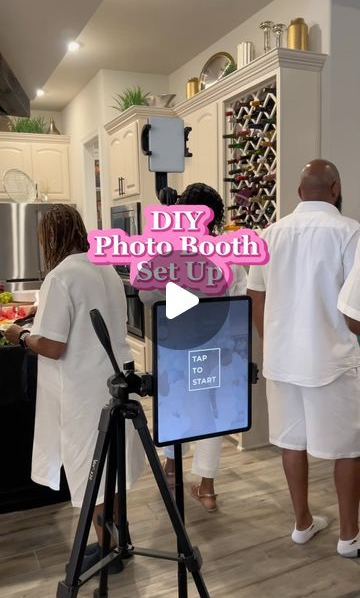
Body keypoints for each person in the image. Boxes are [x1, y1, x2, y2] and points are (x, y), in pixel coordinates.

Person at [5, 204, 145, 572]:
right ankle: (118, 540)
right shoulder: (106, 269)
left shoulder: (61, 276)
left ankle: (108, 551)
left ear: (51, 237)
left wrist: (20, 336)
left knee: (91, 471)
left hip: (83, 389)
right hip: (114, 382)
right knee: (112, 466)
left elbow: (52, 346)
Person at [247, 159, 360, 558]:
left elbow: (255, 294)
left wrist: (271, 340)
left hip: (282, 358)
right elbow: (354, 312)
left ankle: (303, 523)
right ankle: (349, 537)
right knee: (347, 448)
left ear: (298, 193)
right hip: (331, 358)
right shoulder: (350, 232)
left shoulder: (270, 234)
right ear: (336, 189)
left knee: (291, 443)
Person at [140, 182, 247, 512]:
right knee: (210, 412)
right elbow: (238, 302)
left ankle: (172, 471)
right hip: (215, 347)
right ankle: (207, 489)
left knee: (176, 405)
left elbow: (145, 293)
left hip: (176, 344)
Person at [338, 238, 360, 336]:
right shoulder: (350, 230)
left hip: (287, 343)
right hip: (339, 345)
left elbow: (355, 322)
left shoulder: (284, 227)